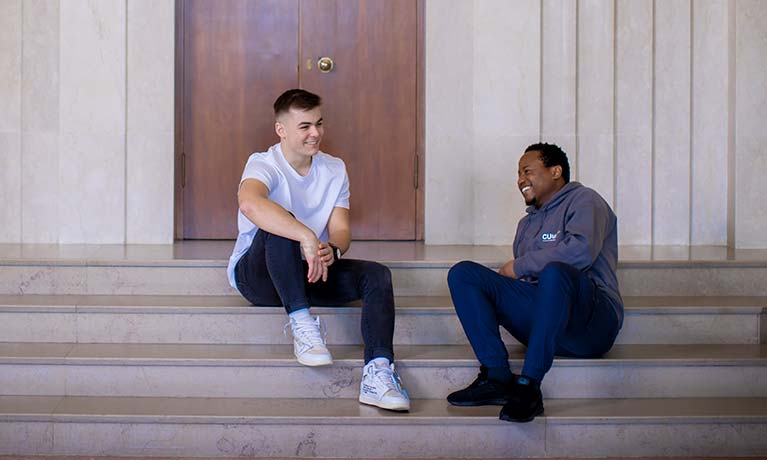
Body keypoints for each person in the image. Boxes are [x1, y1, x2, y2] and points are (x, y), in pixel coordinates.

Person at [227, 89, 409, 412]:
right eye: (305, 126)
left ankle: (378, 373)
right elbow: (249, 204)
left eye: (319, 124)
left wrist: (332, 251)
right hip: (258, 277)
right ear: (281, 130)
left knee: (377, 275)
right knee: (280, 222)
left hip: (308, 269)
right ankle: (301, 322)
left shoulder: (334, 168)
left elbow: (341, 230)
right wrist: (305, 234)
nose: (316, 133)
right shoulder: (263, 163)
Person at [445, 142, 623, 422]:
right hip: (548, 323)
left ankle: (529, 388)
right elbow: (527, 282)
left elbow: (581, 251)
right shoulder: (525, 225)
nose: (520, 180)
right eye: (518, 174)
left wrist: (520, 266)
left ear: (556, 171)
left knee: (555, 272)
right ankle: (497, 377)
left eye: (527, 170)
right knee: (464, 274)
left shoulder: (585, 200)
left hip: (591, 323)